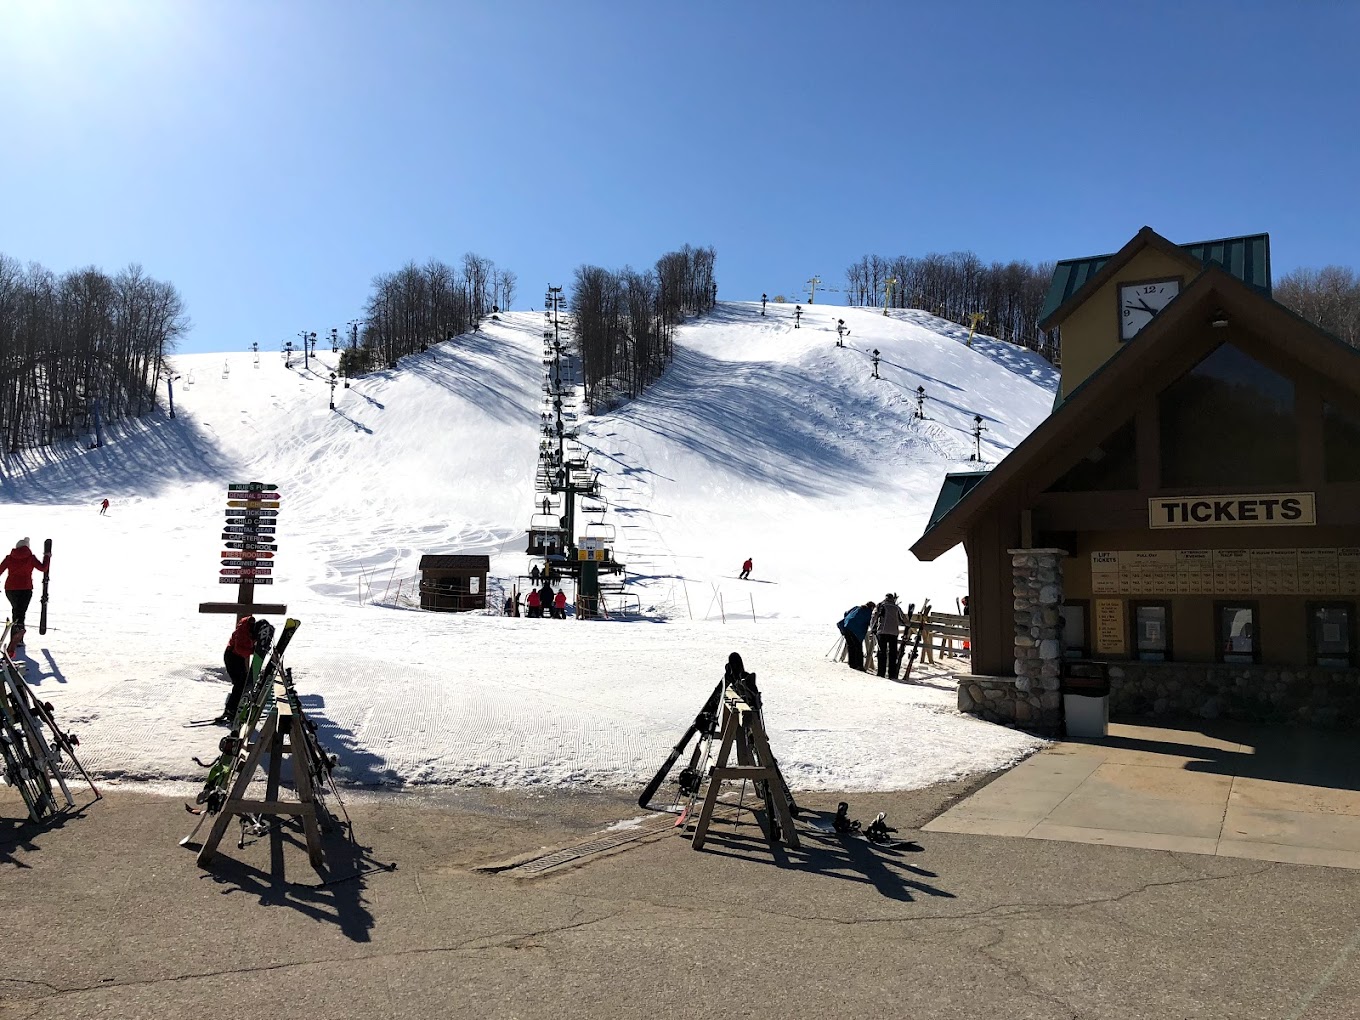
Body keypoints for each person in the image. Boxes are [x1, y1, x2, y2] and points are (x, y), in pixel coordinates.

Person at [1, 537, 47, 653]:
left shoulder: (9, 558)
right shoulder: (30, 558)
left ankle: (16, 637)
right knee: (20, 612)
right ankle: (17, 639)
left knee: (17, 611)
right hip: (25, 588)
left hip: (10, 589)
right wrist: (47, 557)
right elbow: (43, 568)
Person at [217, 615, 255, 724]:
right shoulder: (242, 632)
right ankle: (231, 709)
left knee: (241, 683)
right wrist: (252, 650)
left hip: (237, 658)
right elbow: (239, 649)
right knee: (240, 683)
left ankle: (234, 707)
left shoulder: (246, 629)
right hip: (233, 657)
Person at [876, 593, 907, 679]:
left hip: (882, 631)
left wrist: (873, 628)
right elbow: (904, 619)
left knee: (882, 652)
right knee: (892, 653)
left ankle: (881, 672)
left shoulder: (881, 606)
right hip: (894, 632)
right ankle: (892, 674)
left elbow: (875, 616)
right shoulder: (897, 608)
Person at [838, 601, 875, 671]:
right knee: (858, 647)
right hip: (856, 630)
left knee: (851, 645)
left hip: (846, 626)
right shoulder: (869, 612)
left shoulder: (857, 608)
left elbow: (846, 613)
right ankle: (859, 665)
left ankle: (852, 663)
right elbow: (871, 622)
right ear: (872, 607)